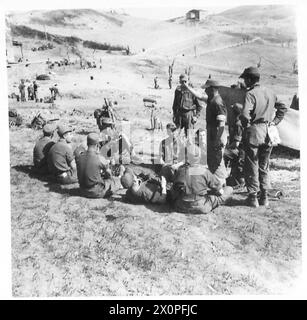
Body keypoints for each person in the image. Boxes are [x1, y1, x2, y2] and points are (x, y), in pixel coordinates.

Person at [239, 66, 287, 207]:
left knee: (251, 165)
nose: (244, 82)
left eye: (245, 79)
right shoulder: (270, 92)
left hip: (254, 131)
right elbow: (283, 107)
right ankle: (264, 197)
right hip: (268, 132)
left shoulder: (250, 94)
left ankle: (253, 197)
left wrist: (246, 125)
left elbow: (244, 114)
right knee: (264, 165)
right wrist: (275, 122)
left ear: (249, 79)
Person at [170, 144, 233, 214]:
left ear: (186, 156)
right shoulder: (204, 171)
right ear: (199, 157)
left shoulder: (180, 170)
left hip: (181, 206)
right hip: (201, 206)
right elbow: (220, 191)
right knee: (229, 189)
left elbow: (175, 189)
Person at [76, 133, 124, 198]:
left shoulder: (79, 156)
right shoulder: (99, 158)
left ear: (87, 143)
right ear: (97, 145)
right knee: (116, 180)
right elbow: (109, 174)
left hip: (82, 190)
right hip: (95, 192)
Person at [224, 103, 245, 188]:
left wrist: (227, 148)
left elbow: (236, 143)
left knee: (222, 154)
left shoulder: (238, 123)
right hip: (241, 150)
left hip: (240, 151)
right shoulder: (239, 121)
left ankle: (221, 177)